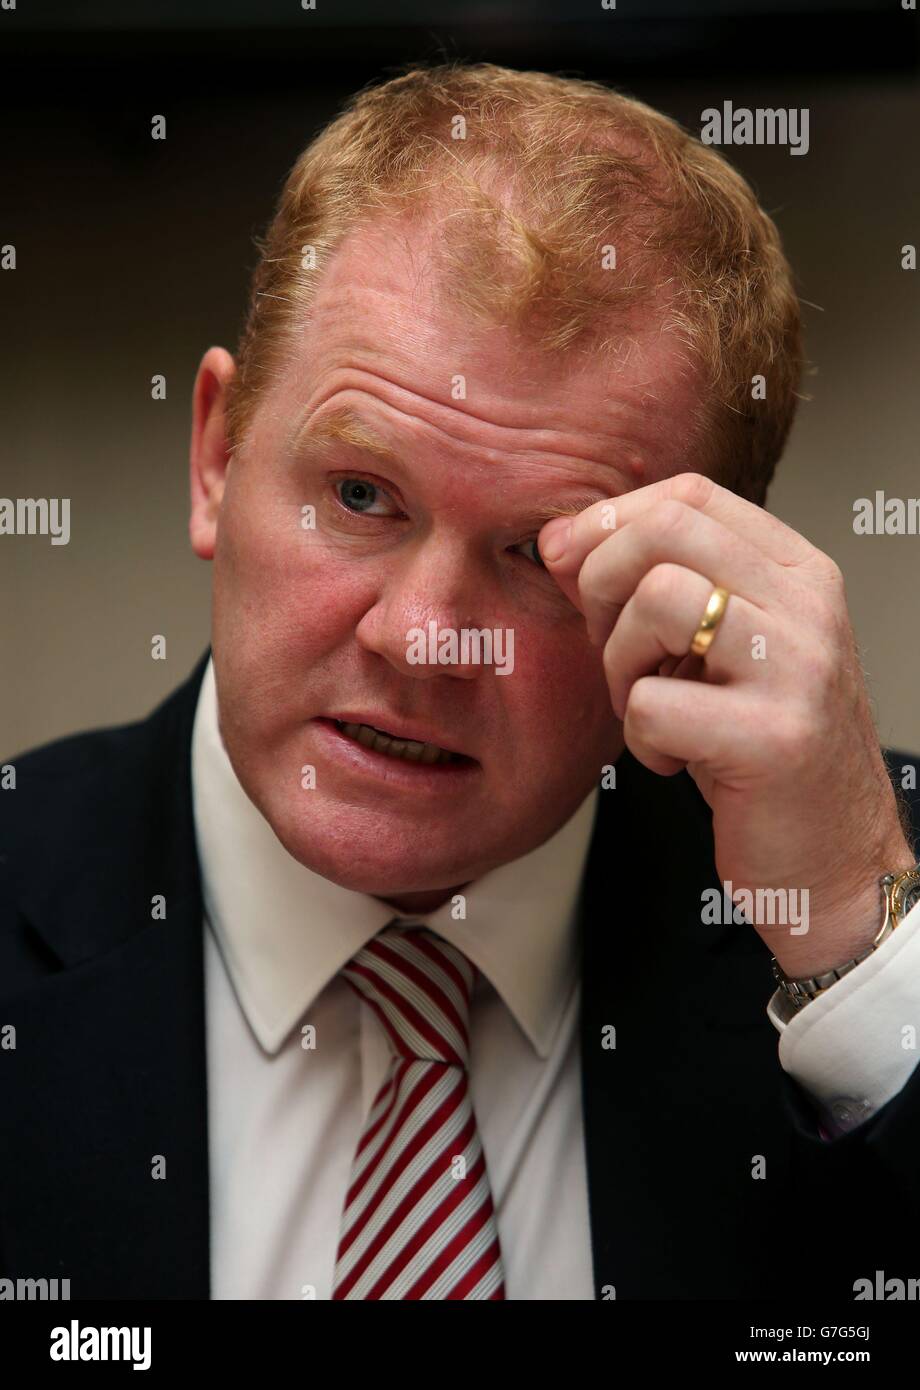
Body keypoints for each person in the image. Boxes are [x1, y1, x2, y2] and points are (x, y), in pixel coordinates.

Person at [3, 61, 919, 1302]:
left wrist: (854, 954)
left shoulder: (863, 914)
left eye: (541, 553)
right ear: (215, 454)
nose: (424, 638)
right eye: (360, 495)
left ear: (682, 585)